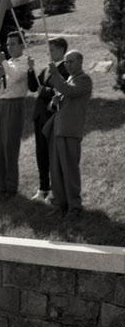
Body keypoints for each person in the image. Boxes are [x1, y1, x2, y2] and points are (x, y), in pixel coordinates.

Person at [46, 51, 92, 220]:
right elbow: (62, 97)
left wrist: (56, 74)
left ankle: (74, 207)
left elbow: (70, 91)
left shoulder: (84, 79)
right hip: (59, 129)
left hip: (71, 130)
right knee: (56, 170)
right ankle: (60, 204)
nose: (67, 65)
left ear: (80, 62)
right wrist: (54, 102)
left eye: (71, 61)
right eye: (65, 62)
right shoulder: (69, 80)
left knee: (69, 170)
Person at [27, 36, 69, 202]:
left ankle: (55, 188)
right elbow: (33, 87)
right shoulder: (46, 69)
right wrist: (31, 70)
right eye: (48, 50)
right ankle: (43, 188)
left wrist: (44, 91)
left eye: (51, 50)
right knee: (41, 153)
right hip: (39, 116)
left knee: (53, 153)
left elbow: (63, 91)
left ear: (61, 50)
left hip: (53, 117)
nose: (49, 53)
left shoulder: (65, 69)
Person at [0, 31, 30, 198]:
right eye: (8, 44)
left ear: (21, 45)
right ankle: (1, 187)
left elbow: (16, 77)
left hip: (14, 104)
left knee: (10, 147)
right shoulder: (8, 63)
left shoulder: (25, 61)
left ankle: (11, 187)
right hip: (1, 104)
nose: (9, 47)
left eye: (13, 44)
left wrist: (3, 62)